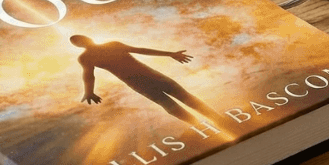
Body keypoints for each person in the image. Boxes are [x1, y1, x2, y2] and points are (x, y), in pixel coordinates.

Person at [69, 34, 222, 125]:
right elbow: (89, 75)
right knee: (168, 104)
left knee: (186, 98)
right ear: (77, 45)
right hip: (138, 84)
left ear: (88, 37)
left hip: (155, 76)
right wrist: (89, 92)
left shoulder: (112, 44)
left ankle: (217, 119)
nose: (83, 41)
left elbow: (140, 50)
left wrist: (170, 53)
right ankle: (199, 126)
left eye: (82, 38)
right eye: (78, 41)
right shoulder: (86, 58)